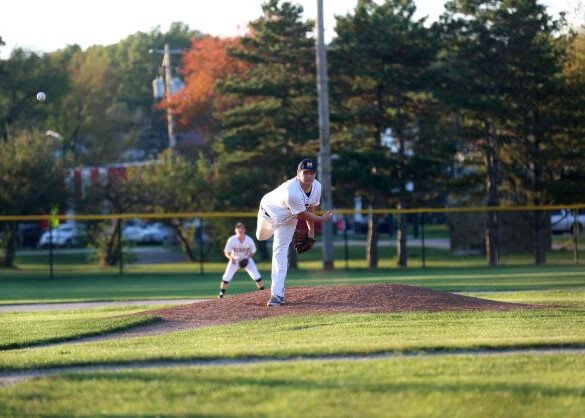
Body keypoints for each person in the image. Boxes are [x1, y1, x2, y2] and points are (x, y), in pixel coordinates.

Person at [256, 158, 333, 307]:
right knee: (261, 236)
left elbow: (311, 208)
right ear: (298, 173)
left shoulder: (317, 187)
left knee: (279, 252)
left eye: (312, 172)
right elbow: (304, 214)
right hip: (268, 214)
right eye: (306, 172)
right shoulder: (292, 191)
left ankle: (277, 294)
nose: (309, 176)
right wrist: (321, 220)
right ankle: (270, 231)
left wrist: (311, 232)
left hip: (288, 220)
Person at [218, 222, 264, 298]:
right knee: (226, 276)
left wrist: (248, 258)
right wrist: (231, 258)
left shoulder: (249, 239)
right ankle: (221, 294)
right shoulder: (231, 240)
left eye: (242, 228)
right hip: (234, 260)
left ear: (244, 230)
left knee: (256, 275)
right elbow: (226, 252)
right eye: (238, 228)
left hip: (247, 259)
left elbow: (253, 251)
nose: (240, 229)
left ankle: (263, 292)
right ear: (235, 230)